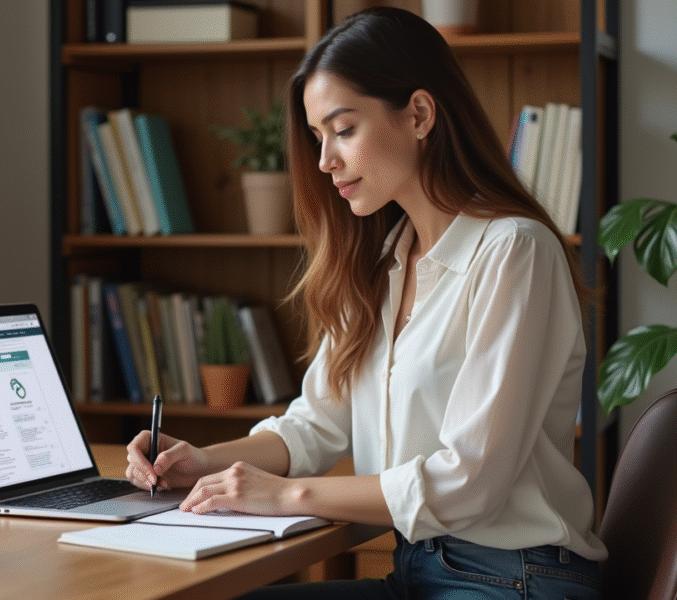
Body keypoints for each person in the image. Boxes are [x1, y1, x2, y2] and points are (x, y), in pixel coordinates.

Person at [125, 6, 606, 599]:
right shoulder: (382, 264)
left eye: (343, 129)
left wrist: (285, 495)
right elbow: (314, 426)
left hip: (516, 579)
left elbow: (470, 481)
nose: (325, 160)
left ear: (420, 115)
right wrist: (202, 462)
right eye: (317, 136)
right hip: (420, 572)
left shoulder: (513, 251)